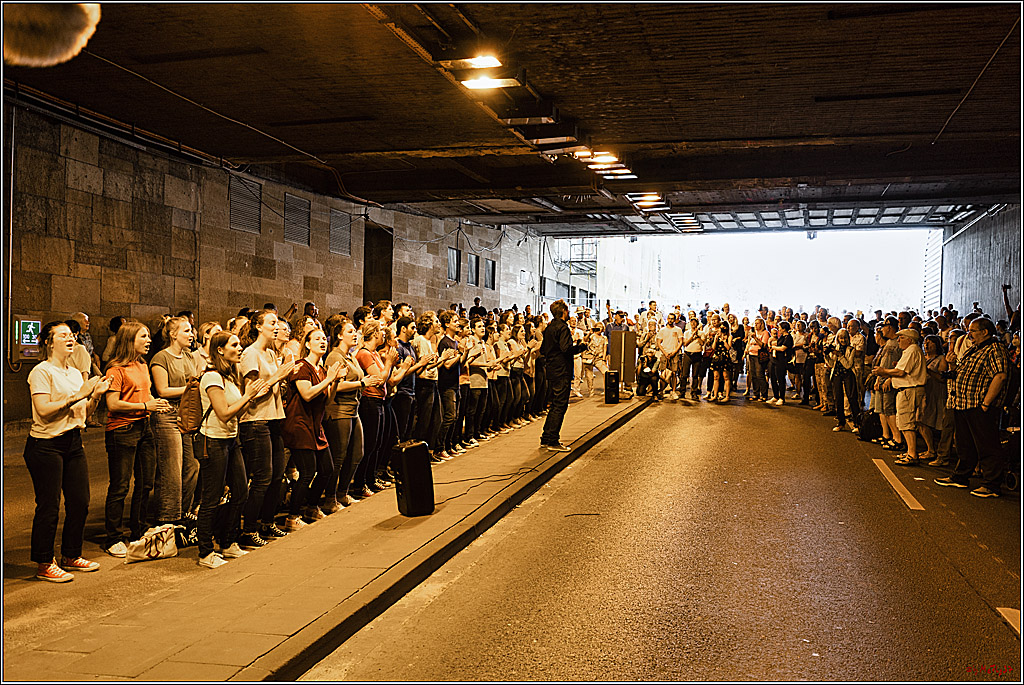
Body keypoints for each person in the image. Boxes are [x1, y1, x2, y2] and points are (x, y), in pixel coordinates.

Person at [24, 322, 109, 582]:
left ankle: (71, 554)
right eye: (63, 335)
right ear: (49, 342)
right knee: (49, 507)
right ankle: (44, 562)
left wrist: (94, 396)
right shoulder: (41, 372)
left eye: (71, 335)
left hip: (72, 441)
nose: (70, 338)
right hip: (45, 445)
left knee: (80, 502)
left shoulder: (74, 373)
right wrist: (78, 395)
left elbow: (84, 414)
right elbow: (44, 410)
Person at [196, 331, 269, 569]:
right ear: (220, 350)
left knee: (240, 491)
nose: (240, 349)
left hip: (231, 439)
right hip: (214, 441)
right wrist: (248, 395)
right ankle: (205, 551)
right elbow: (224, 413)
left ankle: (227, 542)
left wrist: (251, 396)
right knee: (211, 497)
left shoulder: (229, 376)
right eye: (234, 345)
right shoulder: (211, 377)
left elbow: (235, 411)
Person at [102, 321, 172, 558]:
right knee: (120, 485)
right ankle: (113, 537)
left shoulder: (142, 364)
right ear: (129, 340)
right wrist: (145, 405)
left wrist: (155, 404)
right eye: (143, 337)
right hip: (122, 430)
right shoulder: (115, 370)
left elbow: (146, 392)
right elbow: (112, 404)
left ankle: (139, 529)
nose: (149, 340)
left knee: (145, 482)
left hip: (145, 427)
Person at [237, 310, 296, 547]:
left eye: (277, 323)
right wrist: (277, 376)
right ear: (259, 327)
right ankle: (249, 529)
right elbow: (251, 393)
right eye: (272, 323)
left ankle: (267, 522)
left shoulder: (271, 352)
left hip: (273, 418)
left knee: (277, 475)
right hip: (255, 420)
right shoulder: (250, 354)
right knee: (262, 477)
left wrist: (282, 378)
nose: (277, 327)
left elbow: (272, 388)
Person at [934, 318, 1011, 497]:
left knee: (987, 445)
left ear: (985, 332)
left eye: (973, 331)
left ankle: (992, 484)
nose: (969, 335)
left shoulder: (994, 349)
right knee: (965, 443)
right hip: (964, 404)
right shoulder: (975, 349)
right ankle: (961, 477)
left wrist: (986, 403)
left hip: (979, 405)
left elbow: (1000, 376)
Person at [281, 327, 342, 528]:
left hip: (315, 426)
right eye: (317, 339)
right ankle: (292, 517)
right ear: (307, 344)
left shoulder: (321, 369)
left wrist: (334, 381)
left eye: (324, 338)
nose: (322, 341)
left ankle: (311, 506)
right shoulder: (302, 366)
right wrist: (328, 380)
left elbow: (326, 400)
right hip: (299, 425)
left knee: (327, 469)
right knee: (307, 472)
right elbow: (306, 394)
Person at [323, 318, 380, 509]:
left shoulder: (351, 356)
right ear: (339, 335)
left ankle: (343, 493)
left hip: (353, 410)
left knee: (357, 453)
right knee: (339, 457)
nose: (354, 334)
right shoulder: (334, 357)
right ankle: (330, 498)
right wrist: (362, 384)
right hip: (339, 411)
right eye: (349, 331)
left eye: (355, 331)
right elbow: (335, 385)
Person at [149, 316, 199, 527]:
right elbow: (163, 390)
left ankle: (183, 511)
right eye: (186, 331)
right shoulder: (161, 358)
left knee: (192, 467)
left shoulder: (188, 356)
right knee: (172, 471)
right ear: (173, 334)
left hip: (186, 413)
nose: (191, 334)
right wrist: (191, 388)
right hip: (167, 414)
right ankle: (168, 519)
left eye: (191, 331)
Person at [871, 329, 928, 465]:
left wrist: (883, 371)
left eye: (901, 337)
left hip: (909, 390)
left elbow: (901, 372)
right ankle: (910, 452)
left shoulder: (912, 350)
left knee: (906, 423)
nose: (898, 340)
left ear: (909, 339)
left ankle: (912, 455)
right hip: (907, 390)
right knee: (904, 422)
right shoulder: (911, 350)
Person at [540, 300, 587, 451]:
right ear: (564, 312)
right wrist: (581, 346)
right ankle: (553, 440)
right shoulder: (562, 328)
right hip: (562, 371)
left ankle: (546, 437)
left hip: (552, 370)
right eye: (568, 312)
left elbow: (543, 350)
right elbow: (566, 349)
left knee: (555, 405)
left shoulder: (549, 328)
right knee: (560, 405)